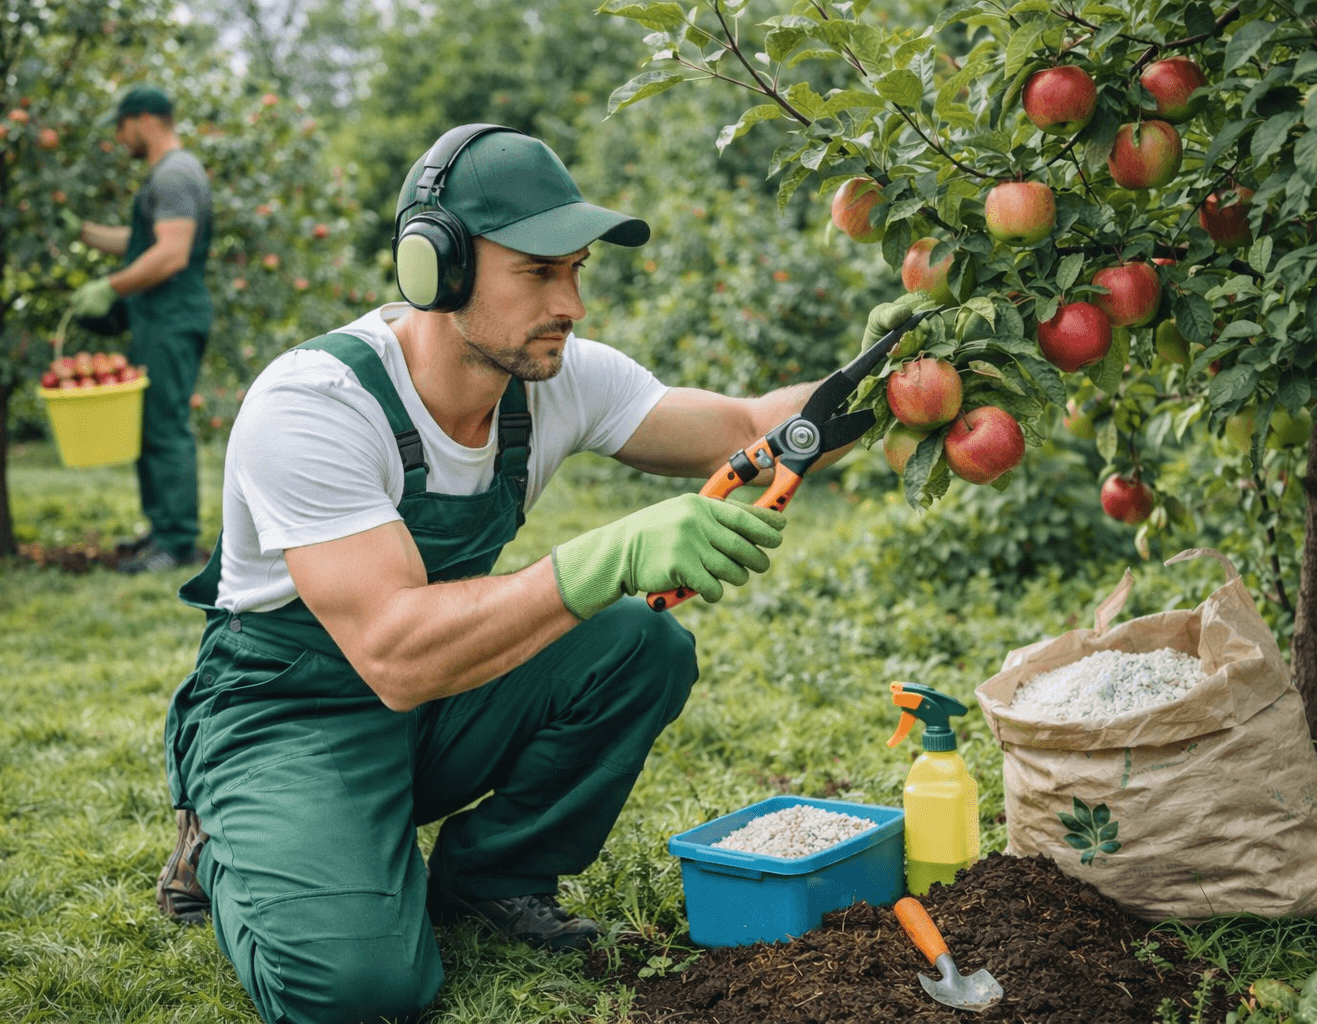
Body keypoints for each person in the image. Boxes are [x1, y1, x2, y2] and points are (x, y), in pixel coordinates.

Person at [155, 124, 907, 1024]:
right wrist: (606, 555)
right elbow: (395, 653)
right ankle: (228, 840)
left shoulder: (555, 378)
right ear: (438, 268)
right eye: (540, 272)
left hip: (434, 702)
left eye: (578, 269)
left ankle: (491, 879)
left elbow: (748, 421)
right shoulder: (315, 405)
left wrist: (893, 381)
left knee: (637, 644)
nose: (573, 303)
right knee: (360, 992)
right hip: (291, 713)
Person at [67, 85, 213, 574]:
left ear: (145, 120)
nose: (119, 136)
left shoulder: (174, 174)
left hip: (171, 318)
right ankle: (161, 530)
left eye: (121, 125)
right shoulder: (167, 176)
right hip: (157, 318)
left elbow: (170, 253)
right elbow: (141, 241)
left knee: (165, 427)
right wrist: (82, 231)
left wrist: (110, 286)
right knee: (150, 424)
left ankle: (177, 542)